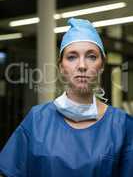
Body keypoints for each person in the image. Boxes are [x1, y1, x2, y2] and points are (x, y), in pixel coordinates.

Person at [0, 17, 133, 177]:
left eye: (91, 56)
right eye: (72, 57)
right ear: (61, 67)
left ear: (102, 65)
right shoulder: (37, 120)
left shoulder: (121, 126)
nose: (82, 66)